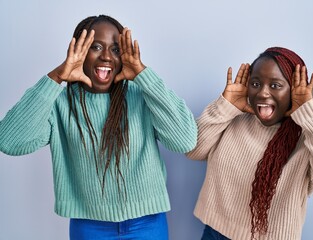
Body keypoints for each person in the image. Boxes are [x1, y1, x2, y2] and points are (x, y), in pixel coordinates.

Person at [0, 15, 197, 239]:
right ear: (79, 51)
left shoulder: (142, 96)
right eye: (96, 47)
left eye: (115, 49)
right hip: (89, 227)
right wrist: (56, 77)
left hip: (147, 224)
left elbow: (185, 140)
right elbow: (8, 141)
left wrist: (143, 74)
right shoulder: (59, 103)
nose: (106, 56)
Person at [186, 47, 313, 240]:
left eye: (276, 85)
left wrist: (310, 114)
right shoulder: (234, 117)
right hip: (215, 233)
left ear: (294, 91)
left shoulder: (309, 136)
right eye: (255, 83)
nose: (262, 93)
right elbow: (192, 150)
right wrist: (226, 105)